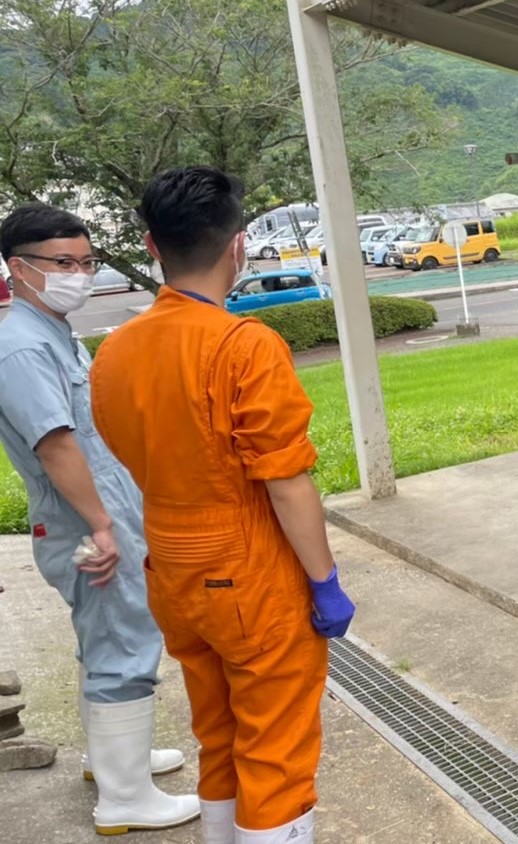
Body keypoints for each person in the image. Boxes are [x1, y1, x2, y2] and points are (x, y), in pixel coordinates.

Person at [90, 167, 356, 844]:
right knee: (276, 748)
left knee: (220, 733)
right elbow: (285, 480)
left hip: (170, 568)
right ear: (238, 245)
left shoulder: (115, 351)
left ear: (152, 245)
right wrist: (324, 581)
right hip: (247, 573)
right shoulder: (243, 345)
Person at [0, 204, 200, 835]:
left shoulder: (53, 332)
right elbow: (55, 445)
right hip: (84, 521)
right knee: (124, 642)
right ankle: (125, 798)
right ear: (19, 269)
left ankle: (115, 761)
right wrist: (103, 526)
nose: (79, 275)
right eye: (63, 263)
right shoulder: (21, 346)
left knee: (106, 638)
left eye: (87, 262)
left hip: (99, 512)